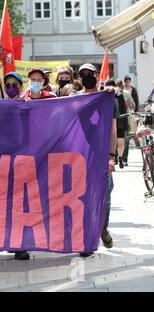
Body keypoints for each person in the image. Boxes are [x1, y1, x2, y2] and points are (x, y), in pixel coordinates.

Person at [76, 63, 118, 256]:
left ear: (96, 75)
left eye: (90, 73)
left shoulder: (108, 98)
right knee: (82, 195)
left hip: (101, 154)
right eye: (82, 74)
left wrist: (111, 157)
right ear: (79, 78)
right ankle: (87, 239)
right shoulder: (74, 100)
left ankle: (102, 227)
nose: (87, 76)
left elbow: (112, 129)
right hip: (80, 155)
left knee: (105, 193)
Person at [107, 79, 128, 169]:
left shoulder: (110, 95)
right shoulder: (120, 94)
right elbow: (125, 107)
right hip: (120, 120)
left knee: (115, 142)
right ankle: (119, 158)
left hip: (114, 121)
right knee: (120, 142)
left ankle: (117, 158)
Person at [122, 76, 139, 165]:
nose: (128, 82)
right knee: (125, 136)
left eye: (129, 81)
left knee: (131, 134)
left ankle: (124, 158)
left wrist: (135, 113)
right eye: (126, 81)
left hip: (130, 114)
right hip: (122, 115)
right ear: (125, 82)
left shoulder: (133, 90)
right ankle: (121, 157)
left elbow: (135, 101)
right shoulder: (122, 90)